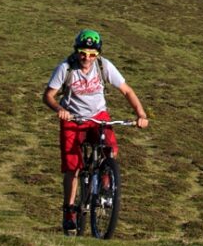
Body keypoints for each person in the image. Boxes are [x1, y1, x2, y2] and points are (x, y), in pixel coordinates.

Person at [42, 28, 149, 234]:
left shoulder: (103, 66)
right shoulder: (66, 68)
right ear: (76, 51)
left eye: (92, 54)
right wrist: (60, 109)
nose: (87, 58)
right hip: (73, 118)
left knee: (110, 149)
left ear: (98, 54)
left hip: (98, 116)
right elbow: (48, 96)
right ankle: (70, 211)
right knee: (73, 166)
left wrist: (141, 115)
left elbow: (126, 90)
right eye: (83, 53)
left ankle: (105, 185)